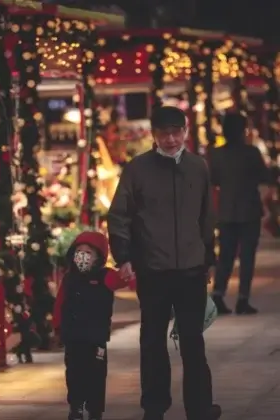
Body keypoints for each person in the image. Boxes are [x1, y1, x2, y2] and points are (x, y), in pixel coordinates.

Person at [107, 106, 221, 420]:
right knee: (152, 340)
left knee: (193, 341)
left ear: (185, 131)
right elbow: (119, 215)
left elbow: (206, 217)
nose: (171, 139)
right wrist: (125, 257)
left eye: (176, 132)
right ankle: (154, 407)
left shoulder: (199, 167)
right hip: (153, 270)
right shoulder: (137, 169)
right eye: (164, 133)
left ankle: (200, 407)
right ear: (154, 135)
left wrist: (208, 258)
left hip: (190, 270)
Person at [53, 231, 129, 420]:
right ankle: (76, 406)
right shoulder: (69, 279)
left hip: (96, 337)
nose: (83, 256)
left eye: (89, 252)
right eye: (79, 251)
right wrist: (57, 326)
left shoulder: (106, 276)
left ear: (99, 257)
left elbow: (123, 279)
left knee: (96, 375)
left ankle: (95, 409)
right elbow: (60, 303)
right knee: (74, 372)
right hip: (73, 336)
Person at [209, 112, 272, 315]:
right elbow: (263, 176)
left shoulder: (217, 154)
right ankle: (242, 298)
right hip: (249, 209)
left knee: (225, 256)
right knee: (247, 257)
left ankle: (218, 294)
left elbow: (214, 180)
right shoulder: (251, 153)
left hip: (227, 210)